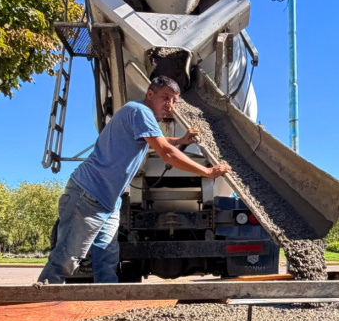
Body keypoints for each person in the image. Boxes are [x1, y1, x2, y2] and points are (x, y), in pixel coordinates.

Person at [38, 76, 231, 283]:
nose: (170, 106)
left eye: (174, 101)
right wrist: (207, 172)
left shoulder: (138, 114)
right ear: (150, 94)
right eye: (166, 98)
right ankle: (38, 304)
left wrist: (181, 141)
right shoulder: (140, 111)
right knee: (66, 260)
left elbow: (156, 141)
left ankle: (106, 304)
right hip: (88, 195)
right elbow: (166, 152)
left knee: (107, 260)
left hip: (109, 201)